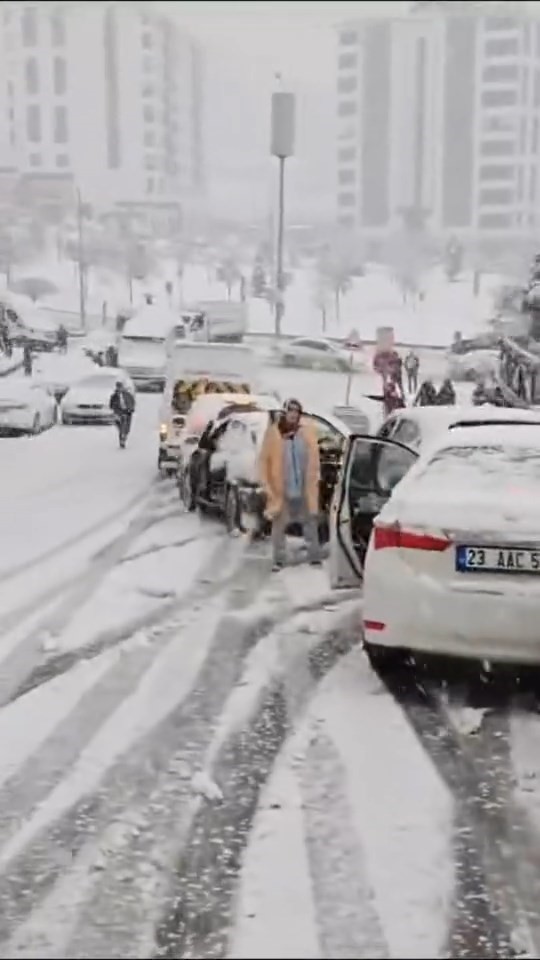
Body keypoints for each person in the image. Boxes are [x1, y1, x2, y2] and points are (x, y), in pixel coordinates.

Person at [258, 398, 321, 571]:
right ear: (284, 413)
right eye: (290, 411)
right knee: (279, 527)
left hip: (303, 488)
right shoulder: (273, 434)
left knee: (310, 523)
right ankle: (278, 559)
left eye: (296, 412)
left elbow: (315, 459)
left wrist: (314, 478)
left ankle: (314, 557)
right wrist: (267, 486)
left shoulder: (307, 433)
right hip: (281, 489)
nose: (293, 415)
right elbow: (263, 461)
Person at [109, 380, 135, 448]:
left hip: (128, 412)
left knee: (127, 428)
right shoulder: (114, 396)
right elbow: (111, 405)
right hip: (119, 413)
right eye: (118, 387)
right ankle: (122, 440)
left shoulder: (128, 395)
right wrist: (116, 409)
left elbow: (132, 402)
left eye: (120, 387)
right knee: (121, 426)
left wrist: (131, 409)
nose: (119, 388)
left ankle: (124, 436)